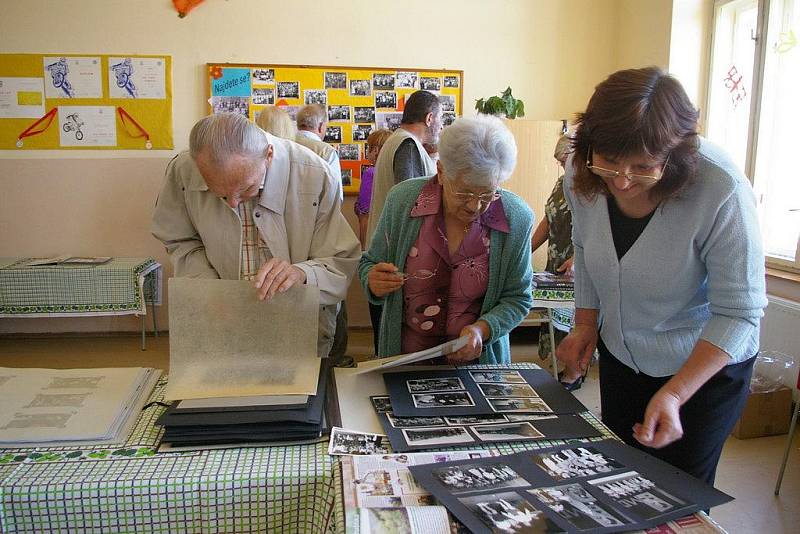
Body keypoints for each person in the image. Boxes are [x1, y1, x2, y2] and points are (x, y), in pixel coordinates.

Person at [557, 67, 767, 484]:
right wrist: (584, 324)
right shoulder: (580, 175)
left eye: (642, 167)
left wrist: (674, 393)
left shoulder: (719, 187)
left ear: (676, 154)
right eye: (610, 162)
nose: (622, 180)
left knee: (675, 492)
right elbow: (584, 247)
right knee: (618, 477)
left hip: (701, 369)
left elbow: (740, 313)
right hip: (623, 353)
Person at [151, 112, 360, 360]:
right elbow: (179, 239)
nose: (233, 203)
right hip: (222, 319)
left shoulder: (313, 173)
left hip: (297, 324)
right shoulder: (183, 170)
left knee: (298, 394)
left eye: (247, 188)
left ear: (268, 156)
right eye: (219, 194)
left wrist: (302, 273)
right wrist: (207, 286)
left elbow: (339, 260)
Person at [359, 115, 534, 364]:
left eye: (487, 193)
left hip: (478, 363)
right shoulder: (403, 201)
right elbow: (369, 264)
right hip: (406, 359)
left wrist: (482, 329)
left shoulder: (515, 217)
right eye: (464, 192)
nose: (475, 205)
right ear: (441, 172)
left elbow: (518, 297)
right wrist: (373, 281)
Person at [294, 103, 351, 366]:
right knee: (327, 313)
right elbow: (334, 200)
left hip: (288, 246)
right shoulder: (325, 151)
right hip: (318, 243)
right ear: (321, 127)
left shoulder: (286, 143)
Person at [531, 134, 582, 390]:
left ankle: (575, 370)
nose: (564, 168)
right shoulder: (561, 183)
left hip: (578, 263)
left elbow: (598, 231)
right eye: (560, 163)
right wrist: (525, 249)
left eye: (566, 161)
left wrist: (577, 258)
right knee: (554, 315)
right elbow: (548, 220)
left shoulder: (593, 188)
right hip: (555, 259)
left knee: (573, 318)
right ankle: (564, 362)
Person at [365, 90, 442, 248]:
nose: (441, 126)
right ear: (429, 118)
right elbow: (411, 207)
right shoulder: (408, 145)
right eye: (440, 119)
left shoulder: (397, 140)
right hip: (398, 249)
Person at [294, 104, 343, 199]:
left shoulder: (283, 145)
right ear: (321, 126)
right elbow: (336, 195)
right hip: (316, 211)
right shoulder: (326, 151)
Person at [354, 128, 393, 249]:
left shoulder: (371, 173)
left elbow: (365, 216)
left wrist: (364, 249)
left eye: (368, 147)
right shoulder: (392, 172)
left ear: (375, 150)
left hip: (375, 239)